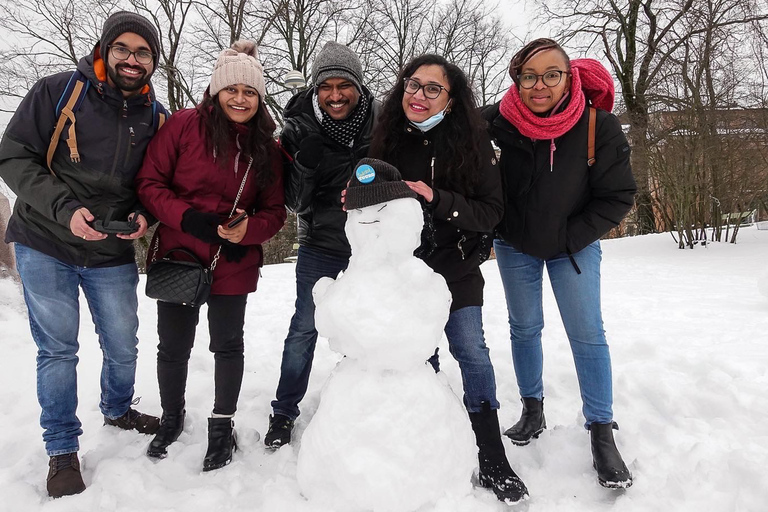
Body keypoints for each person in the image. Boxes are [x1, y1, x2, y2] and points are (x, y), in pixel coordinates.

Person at [0, 11, 166, 498]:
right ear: (105, 49)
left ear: (153, 61)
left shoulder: (157, 116)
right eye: (123, 49)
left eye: (143, 52)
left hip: (110, 250)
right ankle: (61, 448)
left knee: (123, 343)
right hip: (44, 240)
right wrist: (64, 208)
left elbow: (153, 183)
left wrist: (141, 214)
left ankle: (117, 408)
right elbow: (12, 156)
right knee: (58, 349)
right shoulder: (57, 91)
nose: (132, 60)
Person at [367, 54, 528, 504]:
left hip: (457, 269)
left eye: (432, 89)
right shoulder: (387, 139)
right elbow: (374, 209)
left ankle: (492, 452)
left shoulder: (474, 146)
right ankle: (431, 440)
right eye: (412, 85)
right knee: (421, 357)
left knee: (472, 353)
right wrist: (359, 201)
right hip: (406, 274)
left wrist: (436, 197)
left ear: (452, 100)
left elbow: (491, 212)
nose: (418, 96)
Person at [482, 38, 637, 489]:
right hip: (515, 246)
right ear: (517, 79)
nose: (540, 85)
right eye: (529, 76)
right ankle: (532, 409)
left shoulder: (597, 125)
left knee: (587, 335)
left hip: (574, 246)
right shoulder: (498, 122)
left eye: (552, 74)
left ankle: (602, 431)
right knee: (524, 328)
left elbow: (618, 196)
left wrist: (571, 236)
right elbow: (450, 132)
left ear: (569, 77)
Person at [135, 41, 285, 471]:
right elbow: (150, 184)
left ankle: (222, 424)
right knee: (174, 346)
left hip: (232, 261)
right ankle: (171, 415)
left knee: (228, 344)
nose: (240, 99)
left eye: (250, 92)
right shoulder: (182, 127)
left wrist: (249, 230)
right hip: (181, 254)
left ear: (259, 99)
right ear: (216, 91)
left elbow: (275, 211)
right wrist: (189, 218)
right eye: (232, 89)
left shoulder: (267, 150)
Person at [265, 41, 377, 449]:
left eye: (343, 85)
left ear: (358, 87)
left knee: (387, 319)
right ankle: (284, 410)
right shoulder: (298, 128)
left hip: (374, 244)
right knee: (304, 327)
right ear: (315, 89)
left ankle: (416, 393)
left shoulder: (381, 122)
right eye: (325, 86)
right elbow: (295, 203)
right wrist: (306, 167)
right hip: (323, 243)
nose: (334, 95)